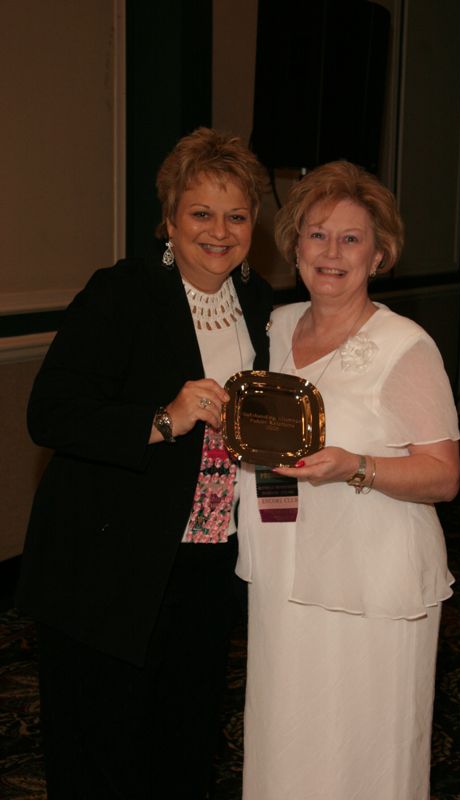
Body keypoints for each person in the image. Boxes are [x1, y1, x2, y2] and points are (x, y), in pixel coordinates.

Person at [16, 127, 272, 799]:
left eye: (236, 214)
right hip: (108, 568)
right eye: (200, 213)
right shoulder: (121, 294)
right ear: (168, 220)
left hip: (210, 563)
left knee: (182, 743)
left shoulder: (264, 307)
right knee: (101, 751)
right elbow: (50, 414)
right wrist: (162, 419)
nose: (219, 230)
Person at [236, 161, 460, 800]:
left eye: (351, 238)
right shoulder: (274, 328)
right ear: (295, 246)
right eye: (316, 235)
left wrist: (354, 466)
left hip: (374, 581)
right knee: (290, 738)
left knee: (363, 750)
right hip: (284, 571)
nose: (331, 253)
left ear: (380, 252)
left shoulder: (404, 347)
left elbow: (443, 477)